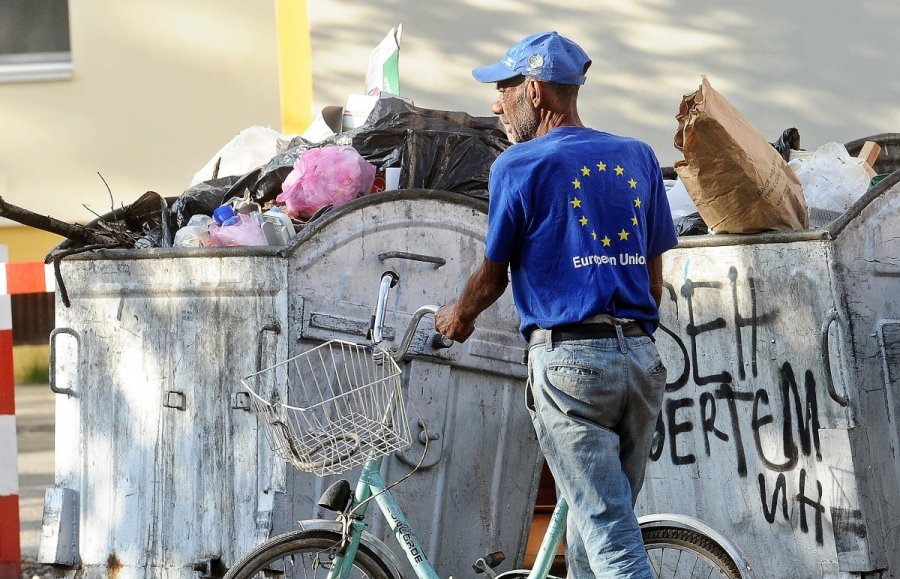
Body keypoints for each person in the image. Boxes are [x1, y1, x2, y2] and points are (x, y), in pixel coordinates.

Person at [434, 32, 678, 578]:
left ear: (536, 90)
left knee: (612, 540)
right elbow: (654, 281)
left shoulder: (518, 166)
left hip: (571, 368)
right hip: (640, 362)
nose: (497, 104)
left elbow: (493, 276)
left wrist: (460, 316)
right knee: (596, 530)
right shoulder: (638, 157)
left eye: (505, 88)